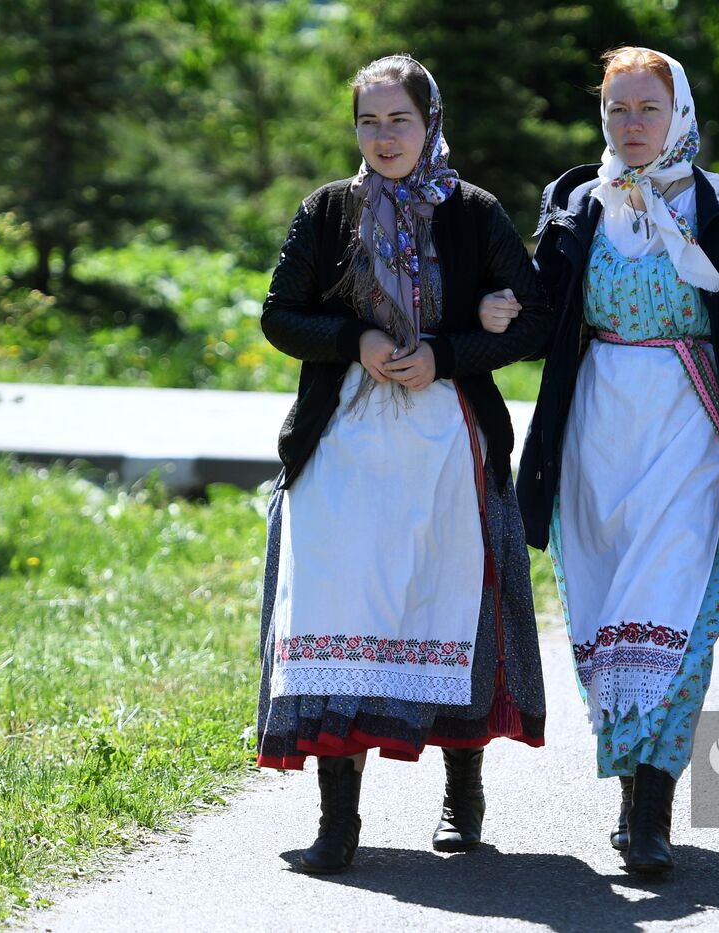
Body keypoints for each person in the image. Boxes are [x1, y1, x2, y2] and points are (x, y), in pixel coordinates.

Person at [254, 54, 551, 874]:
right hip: (343, 439)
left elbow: (535, 321)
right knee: (335, 611)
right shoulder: (327, 211)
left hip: (445, 439)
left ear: (430, 123)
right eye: (368, 121)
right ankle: (338, 820)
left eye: (400, 120)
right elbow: (279, 317)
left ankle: (462, 797)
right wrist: (358, 339)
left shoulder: (474, 212)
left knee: (443, 604)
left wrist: (450, 352)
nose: (384, 137)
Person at [507, 46, 719, 876]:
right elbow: (543, 306)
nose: (632, 125)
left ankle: (651, 806)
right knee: (608, 604)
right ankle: (630, 789)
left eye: (647, 108)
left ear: (679, 112)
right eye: (618, 109)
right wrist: (495, 310)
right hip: (596, 428)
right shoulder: (579, 201)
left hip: (690, 422)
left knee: (676, 601)